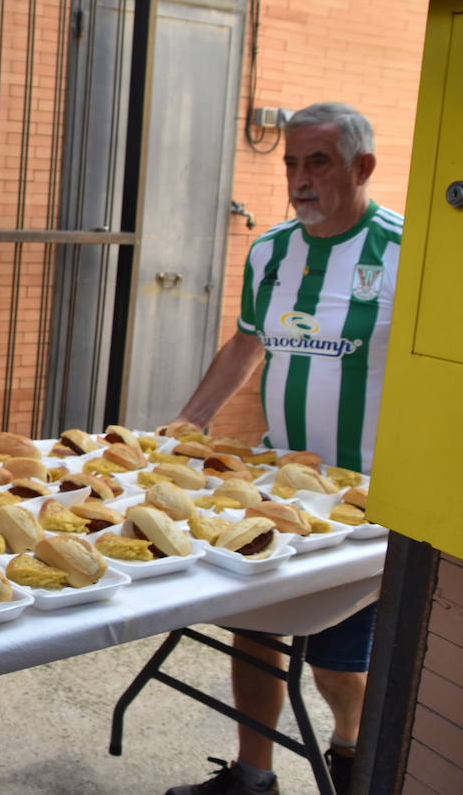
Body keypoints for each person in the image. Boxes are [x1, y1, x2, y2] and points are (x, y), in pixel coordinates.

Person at [163, 102, 401, 795]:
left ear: (362, 167)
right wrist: (190, 420)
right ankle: (252, 775)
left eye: (317, 162)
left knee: (336, 660)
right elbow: (247, 340)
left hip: (365, 501)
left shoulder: (408, 252)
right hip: (275, 480)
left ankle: (352, 753)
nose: (298, 179)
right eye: (292, 162)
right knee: (256, 631)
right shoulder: (270, 250)